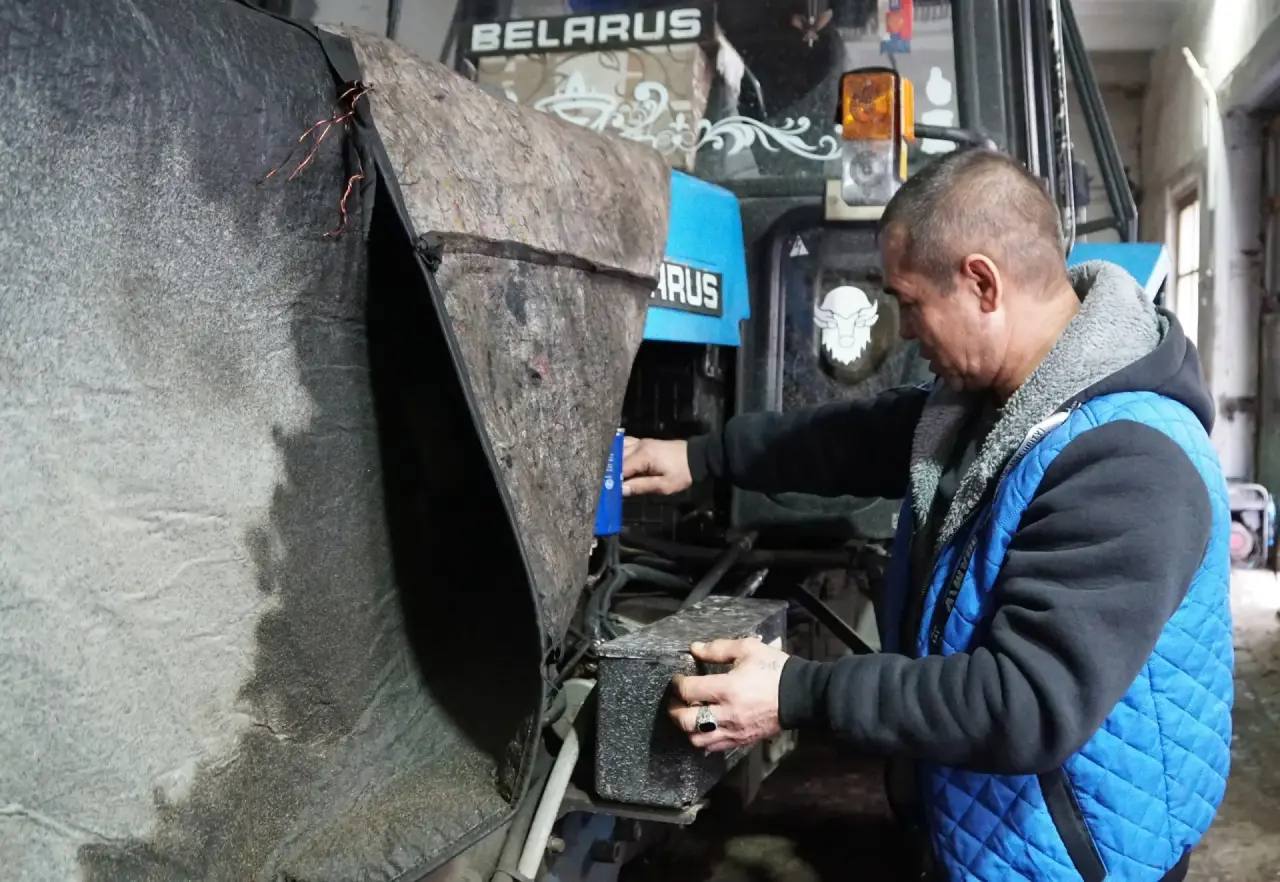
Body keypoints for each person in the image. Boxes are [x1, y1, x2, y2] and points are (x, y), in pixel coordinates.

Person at [621, 149, 1232, 882]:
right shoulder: (993, 400)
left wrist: (795, 692)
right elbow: (853, 439)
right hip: (986, 825)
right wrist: (702, 457)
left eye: (909, 302)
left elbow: (1024, 705)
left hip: (1074, 858)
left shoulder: (1127, 461)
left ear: (982, 284)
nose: (905, 331)